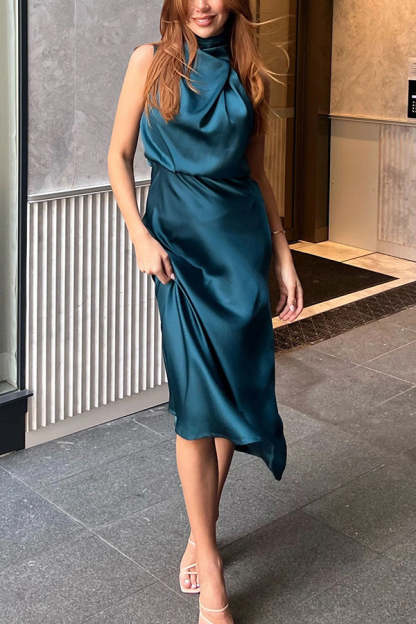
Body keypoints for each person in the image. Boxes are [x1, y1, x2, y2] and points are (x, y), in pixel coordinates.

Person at [108, 1, 303, 622]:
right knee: (196, 405)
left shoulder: (251, 76)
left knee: (228, 401)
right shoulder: (149, 62)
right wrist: (139, 235)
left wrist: (284, 257)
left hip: (240, 254)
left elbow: (257, 176)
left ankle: (201, 532)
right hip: (178, 255)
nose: (202, 4)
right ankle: (211, 562)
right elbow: (117, 156)